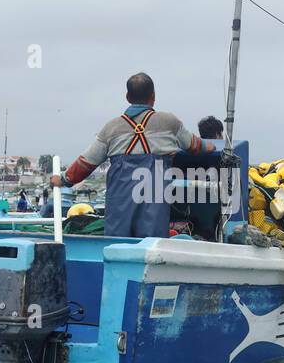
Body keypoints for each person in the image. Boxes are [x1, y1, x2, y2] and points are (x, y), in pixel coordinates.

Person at [52, 72, 204, 238]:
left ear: (127, 97)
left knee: (117, 245)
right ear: (153, 96)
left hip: (120, 210)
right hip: (154, 208)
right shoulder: (169, 122)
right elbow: (196, 146)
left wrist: (63, 179)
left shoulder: (111, 128)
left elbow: (85, 163)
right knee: (151, 244)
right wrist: (212, 144)